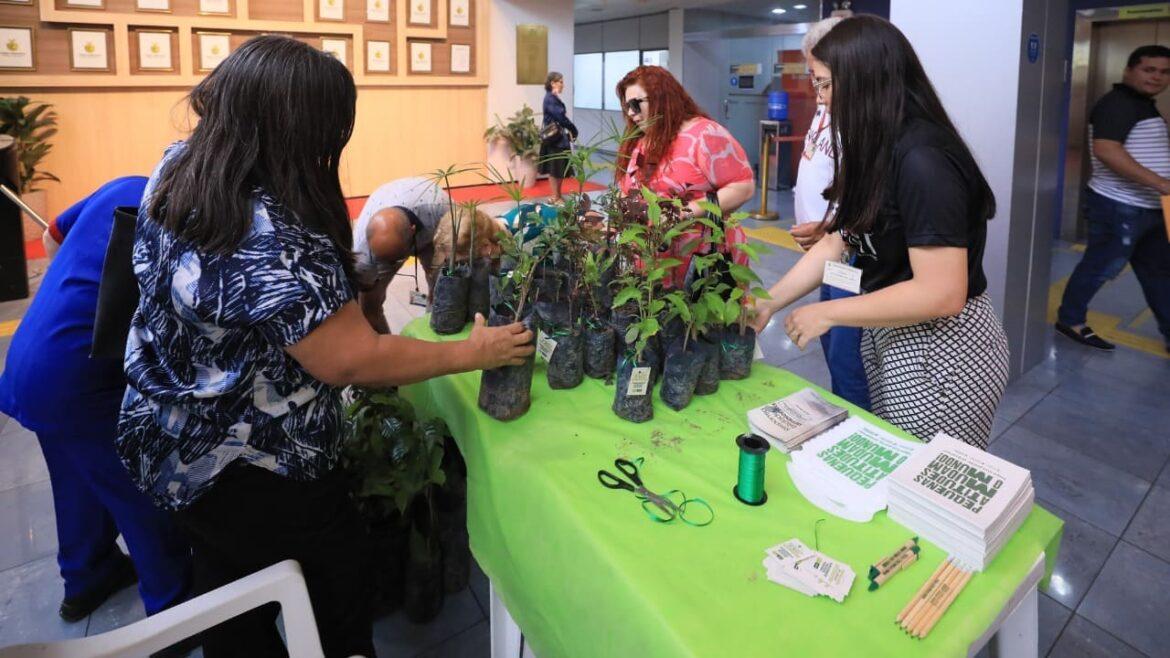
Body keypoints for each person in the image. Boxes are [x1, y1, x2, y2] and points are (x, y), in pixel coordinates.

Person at [116, 36, 533, 658]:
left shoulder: (180, 168)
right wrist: (475, 353)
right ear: (299, 128)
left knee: (231, 593)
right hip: (257, 467)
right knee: (332, 595)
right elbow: (352, 358)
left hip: (171, 441)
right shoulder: (271, 240)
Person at [751, 16, 1008, 449]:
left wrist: (829, 313)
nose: (822, 100)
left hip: (941, 348)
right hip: (893, 328)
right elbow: (840, 239)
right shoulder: (875, 146)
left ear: (865, 81)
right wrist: (770, 302)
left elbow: (941, 293)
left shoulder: (923, 158)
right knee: (891, 453)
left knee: (923, 478)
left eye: (826, 85)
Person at [0, 178, 192, 624]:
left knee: (76, 477)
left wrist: (77, 298)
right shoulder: (191, 214)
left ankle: (88, 577)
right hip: (79, 376)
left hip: (34, 354)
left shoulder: (123, 186)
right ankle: (174, 610)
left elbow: (53, 235)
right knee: (139, 487)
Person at [1056, 44, 1170, 353]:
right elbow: (1107, 150)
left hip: (1148, 208)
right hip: (1119, 206)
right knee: (1100, 267)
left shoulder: (1142, 105)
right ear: (1129, 70)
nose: (1157, 77)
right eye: (1149, 69)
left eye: (1164, 72)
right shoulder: (1118, 104)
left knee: (1158, 272)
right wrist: (1161, 182)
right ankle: (1070, 320)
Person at [788, 16, 869, 411]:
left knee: (846, 350)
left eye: (821, 80)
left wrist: (829, 226)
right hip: (827, 246)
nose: (816, 92)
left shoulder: (859, 119)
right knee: (832, 340)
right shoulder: (828, 107)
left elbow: (861, 196)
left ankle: (857, 423)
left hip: (848, 251)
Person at [615, 65, 756, 287]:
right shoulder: (642, 139)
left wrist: (682, 214)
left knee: (704, 319)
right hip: (656, 259)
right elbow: (628, 187)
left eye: (635, 104)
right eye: (626, 107)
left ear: (661, 97)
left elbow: (742, 187)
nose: (631, 113)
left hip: (703, 258)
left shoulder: (703, 134)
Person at [353, 178, 499, 333]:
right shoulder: (363, 252)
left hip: (431, 226)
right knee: (369, 306)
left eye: (398, 259)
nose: (393, 265)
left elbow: (469, 234)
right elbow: (367, 311)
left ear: (413, 230)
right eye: (390, 261)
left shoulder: (438, 208)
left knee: (443, 287)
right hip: (383, 248)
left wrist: (436, 280)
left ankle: (435, 331)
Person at [540, 71, 578, 203]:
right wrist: (573, 129)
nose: (563, 85)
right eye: (560, 82)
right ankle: (556, 196)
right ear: (553, 83)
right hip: (555, 140)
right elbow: (561, 117)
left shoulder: (552, 97)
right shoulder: (550, 98)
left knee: (558, 168)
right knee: (555, 168)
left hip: (557, 139)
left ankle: (557, 195)